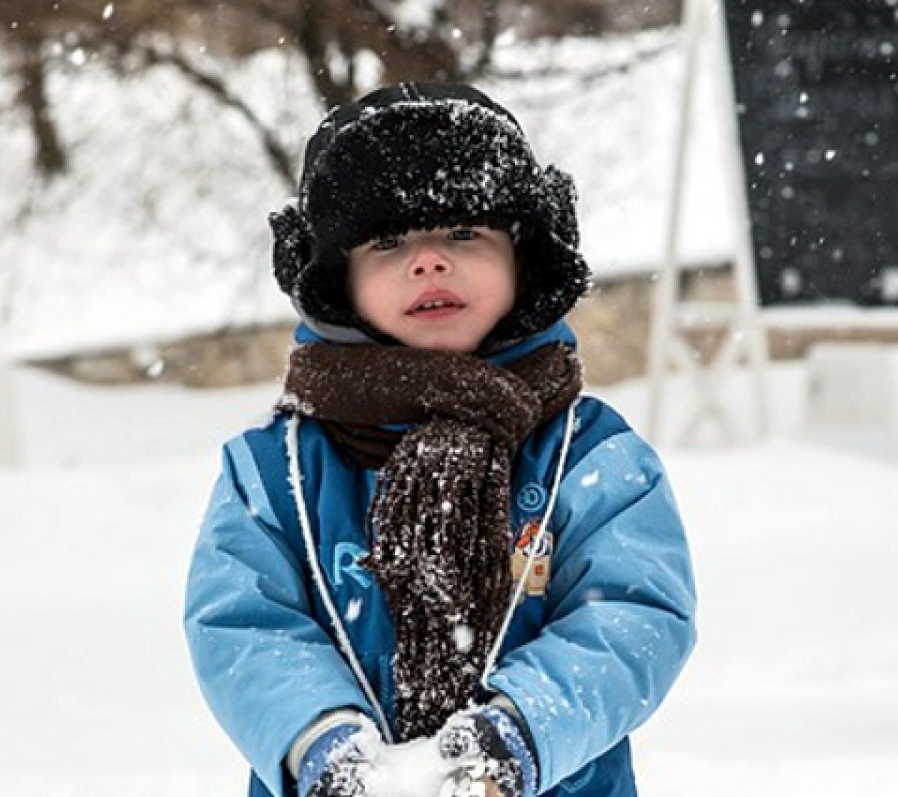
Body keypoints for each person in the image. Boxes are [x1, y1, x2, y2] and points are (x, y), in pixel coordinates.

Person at [184, 82, 697, 797]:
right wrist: (323, 742)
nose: (428, 261)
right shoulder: (277, 473)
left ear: (523, 257)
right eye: (388, 242)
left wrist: (517, 731)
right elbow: (243, 626)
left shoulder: (591, 457)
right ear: (339, 281)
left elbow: (633, 618)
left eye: (463, 233)